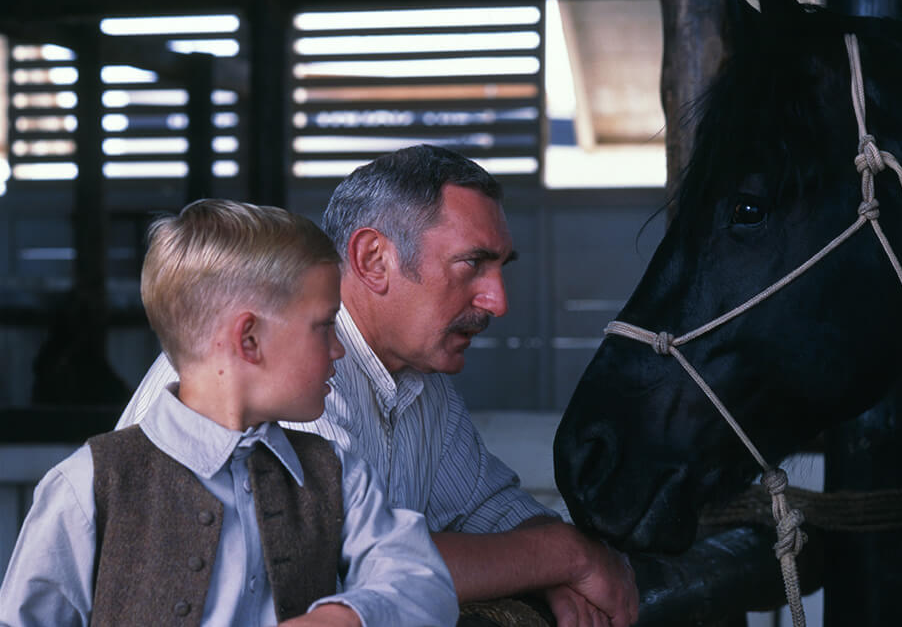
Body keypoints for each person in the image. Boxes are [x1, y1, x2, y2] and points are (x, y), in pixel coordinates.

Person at [119, 145, 640, 627]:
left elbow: (490, 511)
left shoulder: (420, 384)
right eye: (473, 264)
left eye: (500, 268)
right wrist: (566, 557)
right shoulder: (278, 377)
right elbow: (353, 572)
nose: (497, 301)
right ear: (373, 260)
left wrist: (547, 567)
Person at [0, 199, 458, 627]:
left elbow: (425, 583)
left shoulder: (338, 474)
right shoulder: (88, 485)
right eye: (324, 327)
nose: (339, 349)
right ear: (249, 340)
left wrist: (344, 616)